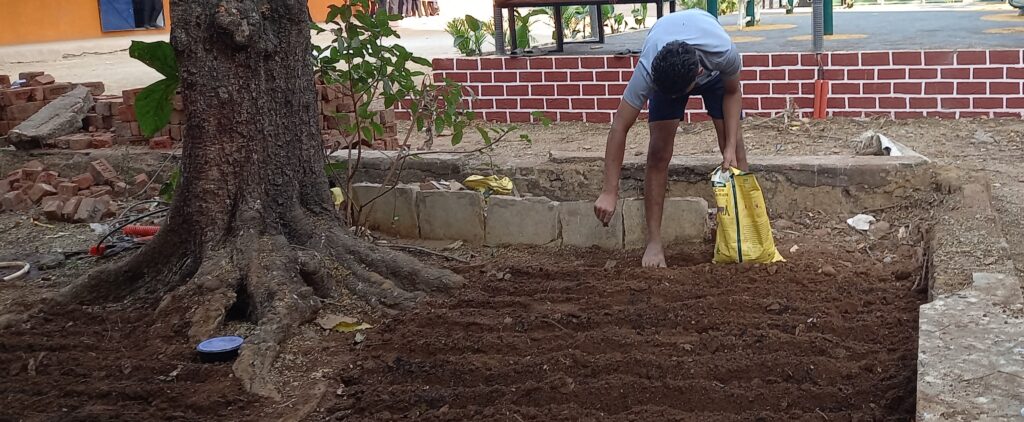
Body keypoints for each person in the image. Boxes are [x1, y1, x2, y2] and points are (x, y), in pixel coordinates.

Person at [593, 9, 748, 268]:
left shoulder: (722, 52)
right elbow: (619, 126)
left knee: (735, 154)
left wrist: (730, 146)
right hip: (670, 72)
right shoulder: (650, 68)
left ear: (698, 72)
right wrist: (609, 191)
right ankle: (654, 243)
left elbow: (732, 92)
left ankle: (741, 236)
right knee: (658, 152)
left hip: (713, 76)